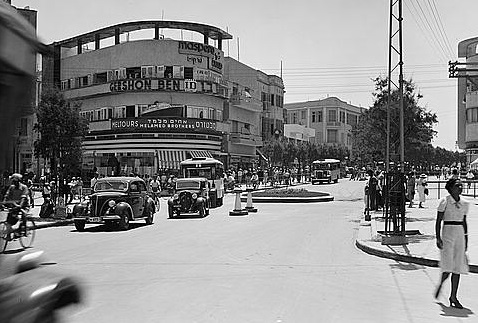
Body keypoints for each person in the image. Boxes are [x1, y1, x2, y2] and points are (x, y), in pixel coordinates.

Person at [434, 178, 469, 308]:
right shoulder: (445, 201)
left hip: (459, 233)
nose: (460, 187)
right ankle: (442, 283)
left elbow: (464, 221)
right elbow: (438, 221)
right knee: (448, 265)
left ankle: (453, 296)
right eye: (457, 185)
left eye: (461, 185)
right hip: (448, 232)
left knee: (458, 266)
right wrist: (438, 238)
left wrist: (466, 238)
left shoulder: (465, 203)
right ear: (450, 188)